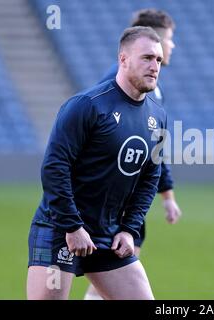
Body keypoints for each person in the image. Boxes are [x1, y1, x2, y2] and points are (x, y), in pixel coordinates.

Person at [27, 26, 166, 300]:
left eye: (159, 60)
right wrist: (72, 226)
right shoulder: (87, 105)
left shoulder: (158, 116)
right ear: (123, 59)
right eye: (147, 58)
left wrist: (129, 229)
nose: (155, 66)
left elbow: (150, 176)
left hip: (109, 237)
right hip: (60, 230)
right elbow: (55, 167)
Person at [84, 9, 181, 300]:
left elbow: (151, 147)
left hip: (126, 190)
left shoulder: (151, 88)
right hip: (114, 192)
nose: (172, 46)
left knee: (112, 272)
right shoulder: (116, 87)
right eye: (170, 39)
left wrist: (167, 194)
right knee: (116, 268)